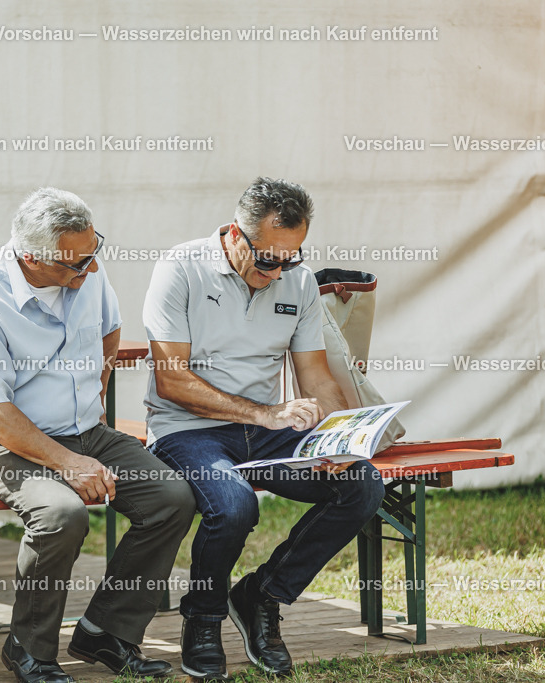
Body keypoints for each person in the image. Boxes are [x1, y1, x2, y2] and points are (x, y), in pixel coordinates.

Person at [0, 187, 195, 683]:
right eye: (76, 265)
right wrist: (67, 462)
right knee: (62, 513)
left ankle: (105, 631)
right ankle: (28, 648)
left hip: (84, 432)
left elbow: (110, 330)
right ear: (30, 257)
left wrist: (93, 393)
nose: (91, 271)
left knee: (172, 496)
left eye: (94, 252)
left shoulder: (83, 268)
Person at [142, 177, 386, 679]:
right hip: (186, 430)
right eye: (268, 258)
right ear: (235, 234)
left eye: (291, 258)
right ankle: (203, 618)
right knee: (234, 506)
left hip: (265, 428)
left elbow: (315, 374)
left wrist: (342, 438)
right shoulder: (180, 268)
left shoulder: (296, 281)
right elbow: (172, 382)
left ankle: (262, 596)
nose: (279, 271)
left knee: (361, 483)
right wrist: (262, 413)